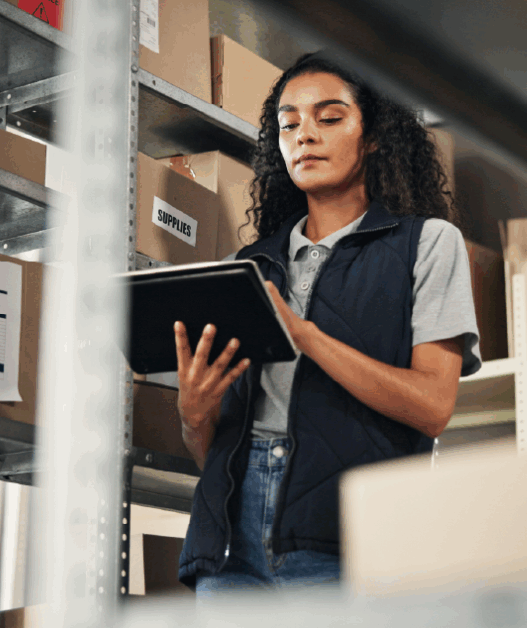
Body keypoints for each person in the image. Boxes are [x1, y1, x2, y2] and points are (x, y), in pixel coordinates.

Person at [173, 52, 483, 597]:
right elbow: (211, 453)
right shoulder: (245, 267)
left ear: (374, 136)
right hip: (226, 548)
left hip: (350, 537)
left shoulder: (427, 244)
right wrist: (194, 417)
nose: (304, 135)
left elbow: (434, 407)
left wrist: (308, 338)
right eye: (288, 124)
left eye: (329, 117)